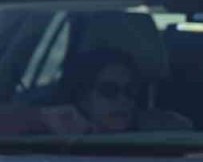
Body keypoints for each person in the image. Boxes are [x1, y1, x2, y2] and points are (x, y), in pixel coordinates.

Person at [0, 49, 189, 135]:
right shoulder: (50, 131)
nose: (123, 100)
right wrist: (38, 119)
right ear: (82, 95)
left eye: (131, 91)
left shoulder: (161, 133)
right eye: (109, 90)